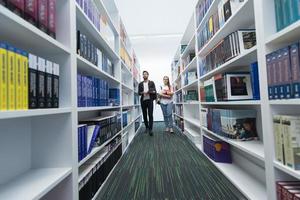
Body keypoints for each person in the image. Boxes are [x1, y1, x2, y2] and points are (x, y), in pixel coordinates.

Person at [138, 71, 157, 136]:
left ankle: (150, 129)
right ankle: (146, 127)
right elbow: (139, 92)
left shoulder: (151, 82)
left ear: (148, 75)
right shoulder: (140, 84)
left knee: (150, 114)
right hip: (143, 101)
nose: (144, 75)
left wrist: (149, 92)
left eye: (145, 74)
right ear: (143, 76)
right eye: (143, 74)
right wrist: (142, 92)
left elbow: (154, 91)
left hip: (150, 100)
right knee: (144, 114)